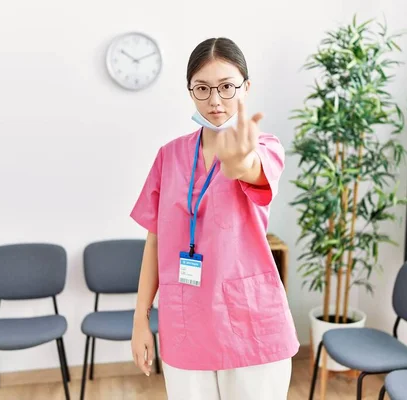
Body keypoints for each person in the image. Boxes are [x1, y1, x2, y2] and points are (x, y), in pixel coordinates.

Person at [129, 37, 299, 400]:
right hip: (186, 322)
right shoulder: (169, 156)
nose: (215, 100)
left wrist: (238, 160)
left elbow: (249, 169)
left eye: (226, 86)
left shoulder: (264, 146)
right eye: (202, 88)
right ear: (190, 91)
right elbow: (155, 239)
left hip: (250, 323)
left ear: (246, 87)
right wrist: (140, 319)